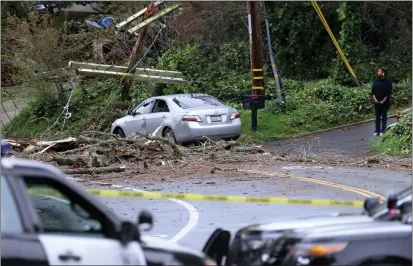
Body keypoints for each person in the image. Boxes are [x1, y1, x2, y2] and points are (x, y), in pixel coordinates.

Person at [371, 67, 392, 136]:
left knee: (384, 117)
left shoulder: (388, 81)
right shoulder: (375, 81)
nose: (378, 72)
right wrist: (375, 99)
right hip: (376, 102)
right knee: (377, 117)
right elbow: (372, 92)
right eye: (378, 71)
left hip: (385, 102)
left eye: (379, 71)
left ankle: (383, 130)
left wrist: (383, 100)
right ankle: (377, 131)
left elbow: (388, 93)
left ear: (383, 73)